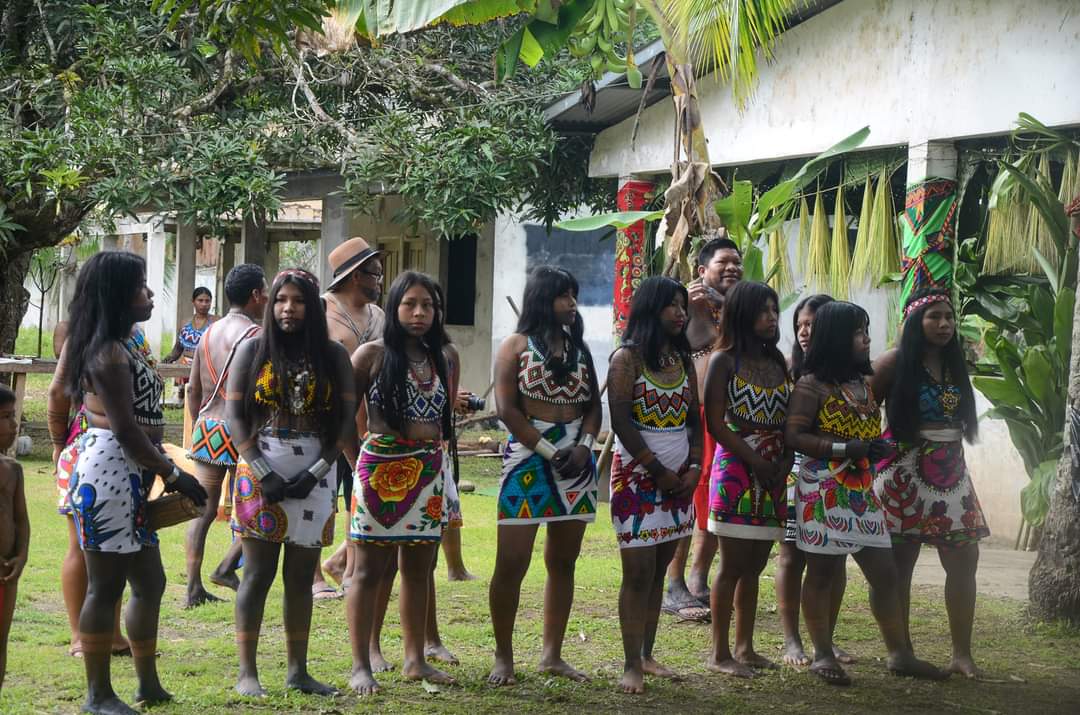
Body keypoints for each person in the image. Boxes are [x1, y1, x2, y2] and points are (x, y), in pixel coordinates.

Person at [63, 251, 208, 715]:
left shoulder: (130, 341)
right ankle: (98, 694)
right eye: (141, 286)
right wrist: (175, 474)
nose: (149, 294)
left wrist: (159, 467)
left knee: (151, 581)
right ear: (117, 295)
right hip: (110, 473)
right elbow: (125, 430)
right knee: (104, 589)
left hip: (132, 472)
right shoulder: (106, 352)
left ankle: (147, 683)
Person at [785, 300, 945, 686]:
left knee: (885, 573)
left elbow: (863, 431)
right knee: (821, 573)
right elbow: (794, 436)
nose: (867, 339)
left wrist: (874, 447)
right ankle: (822, 654)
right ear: (839, 338)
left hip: (860, 490)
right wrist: (845, 449)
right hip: (823, 489)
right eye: (860, 333)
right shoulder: (811, 385)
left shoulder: (860, 383)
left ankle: (900, 654)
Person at [225, 268, 354, 697]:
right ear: (270, 303)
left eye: (298, 301)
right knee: (258, 574)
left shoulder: (334, 356)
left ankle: (298, 670)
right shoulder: (253, 350)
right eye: (281, 300)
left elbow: (344, 423)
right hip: (261, 470)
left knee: (301, 577)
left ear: (312, 306)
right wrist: (263, 472)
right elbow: (235, 417)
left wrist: (315, 472)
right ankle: (247, 672)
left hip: (314, 475)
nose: (288, 308)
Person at [347, 271, 460, 695]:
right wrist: (357, 464)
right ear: (394, 307)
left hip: (429, 468)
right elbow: (345, 416)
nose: (418, 313)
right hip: (378, 468)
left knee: (419, 568)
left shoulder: (444, 357)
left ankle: (415, 660)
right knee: (368, 571)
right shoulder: (371, 355)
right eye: (410, 304)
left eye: (427, 305)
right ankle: (361, 664)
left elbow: (444, 420)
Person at [488, 265, 602, 686]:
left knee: (563, 561)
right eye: (563, 296)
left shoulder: (580, 348)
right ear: (542, 298)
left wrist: (584, 448)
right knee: (511, 562)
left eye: (573, 296)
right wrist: (551, 451)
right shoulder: (514, 346)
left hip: (576, 459)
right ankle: (504, 655)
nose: (571, 304)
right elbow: (508, 410)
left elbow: (593, 406)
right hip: (528, 458)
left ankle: (552, 654)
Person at [872, 288, 989, 678]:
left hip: (952, 473)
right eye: (934, 317)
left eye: (949, 317)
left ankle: (962, 654)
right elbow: (858, 403)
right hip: (903, 473)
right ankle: (900, 651)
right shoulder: (894, 361)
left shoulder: (957, 363)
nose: (944, 325)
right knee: (897, 567)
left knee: (964, 559)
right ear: (914, 321)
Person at [607, 276, 702, 694]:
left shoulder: (683, 361)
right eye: (672, 306)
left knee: (660, 566)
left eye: (683, 306)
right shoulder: (626, 359)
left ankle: (647, 654)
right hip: (637, 477)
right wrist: (654, 468)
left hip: (679, 479)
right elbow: (622, 421)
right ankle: (630, 663)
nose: (681, 313)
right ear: (650, 309)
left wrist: (695, 466)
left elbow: (694, 421)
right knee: (638, 570)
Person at [704, 281, 793, 677]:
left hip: (772, 470)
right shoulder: (724, 361)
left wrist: (785, 460)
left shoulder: (778, 363)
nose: (772, 318)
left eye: (775, 311)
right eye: (764, 311)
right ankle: (720, 653)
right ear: (743, 314)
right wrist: (755, 458)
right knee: (732, 564)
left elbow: (790, 421)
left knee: (756, 562)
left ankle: (746, 647)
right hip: (737, 468)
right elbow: (715, 423)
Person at [663, 235, 743, 622]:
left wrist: (729, 305)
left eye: (736, 263)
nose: (731, 269)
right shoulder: (685, 305)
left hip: (728, 417)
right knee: (690, 499)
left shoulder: (739, 309)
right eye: (723, 263)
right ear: (701, 270)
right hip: (692, 416)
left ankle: (697, 580)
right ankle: (674, 583)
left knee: (715, 501)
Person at [774, 294, 854, 667]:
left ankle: (827, 637)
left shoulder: (848, 375)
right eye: (800, 324)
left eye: (813, 324)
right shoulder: (788, 370)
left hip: (838, 475)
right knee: (792, 557)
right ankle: (791, 639)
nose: (805, 332)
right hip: (797, 471)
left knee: (835, 560)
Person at [182, 264, 267, 607]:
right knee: (259, 503)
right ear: (255, 296)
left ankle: (192, 588)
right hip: (244, 427)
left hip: (208, 426)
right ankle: (227, 566)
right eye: (265, 292)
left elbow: (193, 388)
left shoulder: (208, 333)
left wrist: (197, 427)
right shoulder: (258, 335)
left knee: (201, 511)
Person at [316, 236, 386, 601]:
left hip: (368, 422)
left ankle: (349, 567)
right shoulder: (320, 311)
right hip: (323, 424)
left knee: (354, 496)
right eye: (374, 274)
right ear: (356, 276)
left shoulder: (378, 317)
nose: (380, 281)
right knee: (319, 499)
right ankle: (314, 577)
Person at [0, 384, 28, 694]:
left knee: (1, 641)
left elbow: (22, 521)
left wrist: (21, 556)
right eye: (6, 417)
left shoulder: (12, 470)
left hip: (7, 575)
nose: (13, 425)